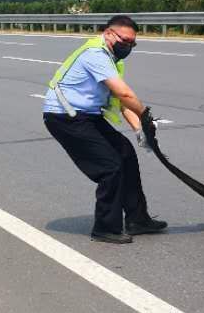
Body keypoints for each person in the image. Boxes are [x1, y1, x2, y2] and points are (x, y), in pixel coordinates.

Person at [43, 15, 167, 243]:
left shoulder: (112, 58)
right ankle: (105, 228)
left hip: (86, 115)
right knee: (110, 166)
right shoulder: (95, 54)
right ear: (109, 33)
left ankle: (138, 219)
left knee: (126, 154)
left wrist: (139, 130)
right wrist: (146, 116)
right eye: (124, 40)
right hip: (64, 116)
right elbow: (125, 94)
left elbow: (121, 102)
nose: (127, 46)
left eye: (132, 43)